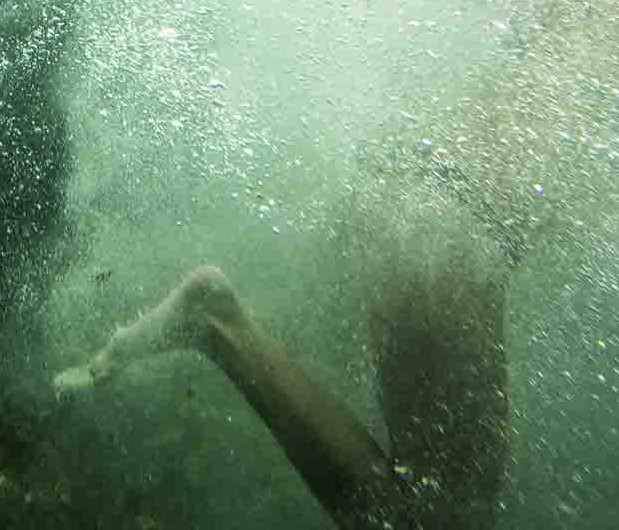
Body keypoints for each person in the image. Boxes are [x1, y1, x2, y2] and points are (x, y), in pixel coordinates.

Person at [56, 196, 511, 530]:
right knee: (441, 517)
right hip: (449, 210)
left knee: (447, 504)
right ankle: (217, 324)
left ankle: (228, 327)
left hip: (424, 195)